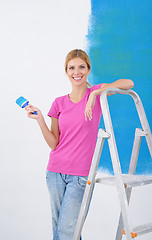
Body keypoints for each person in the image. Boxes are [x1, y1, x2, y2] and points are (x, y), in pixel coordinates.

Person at [25, 49, 134, 240]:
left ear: (88, 69)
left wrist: (97, 93)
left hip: (81, 176)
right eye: (72, 68)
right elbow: (54, 143)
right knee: (61, 227)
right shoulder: (58, 103)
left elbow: (128, 84)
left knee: (67, 230)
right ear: (66, 72)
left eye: (82, 67)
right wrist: (40, 119)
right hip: (55, 172)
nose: (77, 72)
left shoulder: (97, 94)